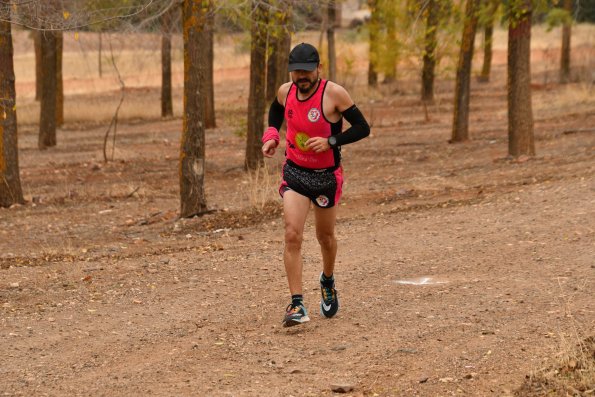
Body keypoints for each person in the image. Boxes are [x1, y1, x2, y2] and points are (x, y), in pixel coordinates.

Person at [261, 43, 370, 327]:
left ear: (318, 69)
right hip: (295, 172)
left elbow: (362, 128)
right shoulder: (286, 91)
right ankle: (297, 305)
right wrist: (272, 134)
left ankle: (328, 280)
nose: (302, 77)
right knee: (292, 235)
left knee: (325, 238)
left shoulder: (334, 94)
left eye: (307, 71)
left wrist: (331, 141)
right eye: (297, 72)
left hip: (325, 176)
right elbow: (275, 108)